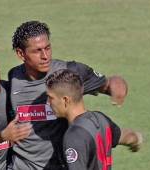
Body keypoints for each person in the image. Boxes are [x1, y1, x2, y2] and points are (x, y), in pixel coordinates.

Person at [8, 20, 128, 170]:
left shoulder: (68, 72)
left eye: (48, 48)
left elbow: (108, 84)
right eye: (37, 51)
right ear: (21, 54)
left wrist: (118, 86)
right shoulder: (14, 77)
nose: (45, 56)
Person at [45, 69, 143, 170]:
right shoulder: (101, 119)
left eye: (51, 98)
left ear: (65, 100)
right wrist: (136, 139)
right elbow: (124, 137)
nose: (48, 103)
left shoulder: (74, 136)